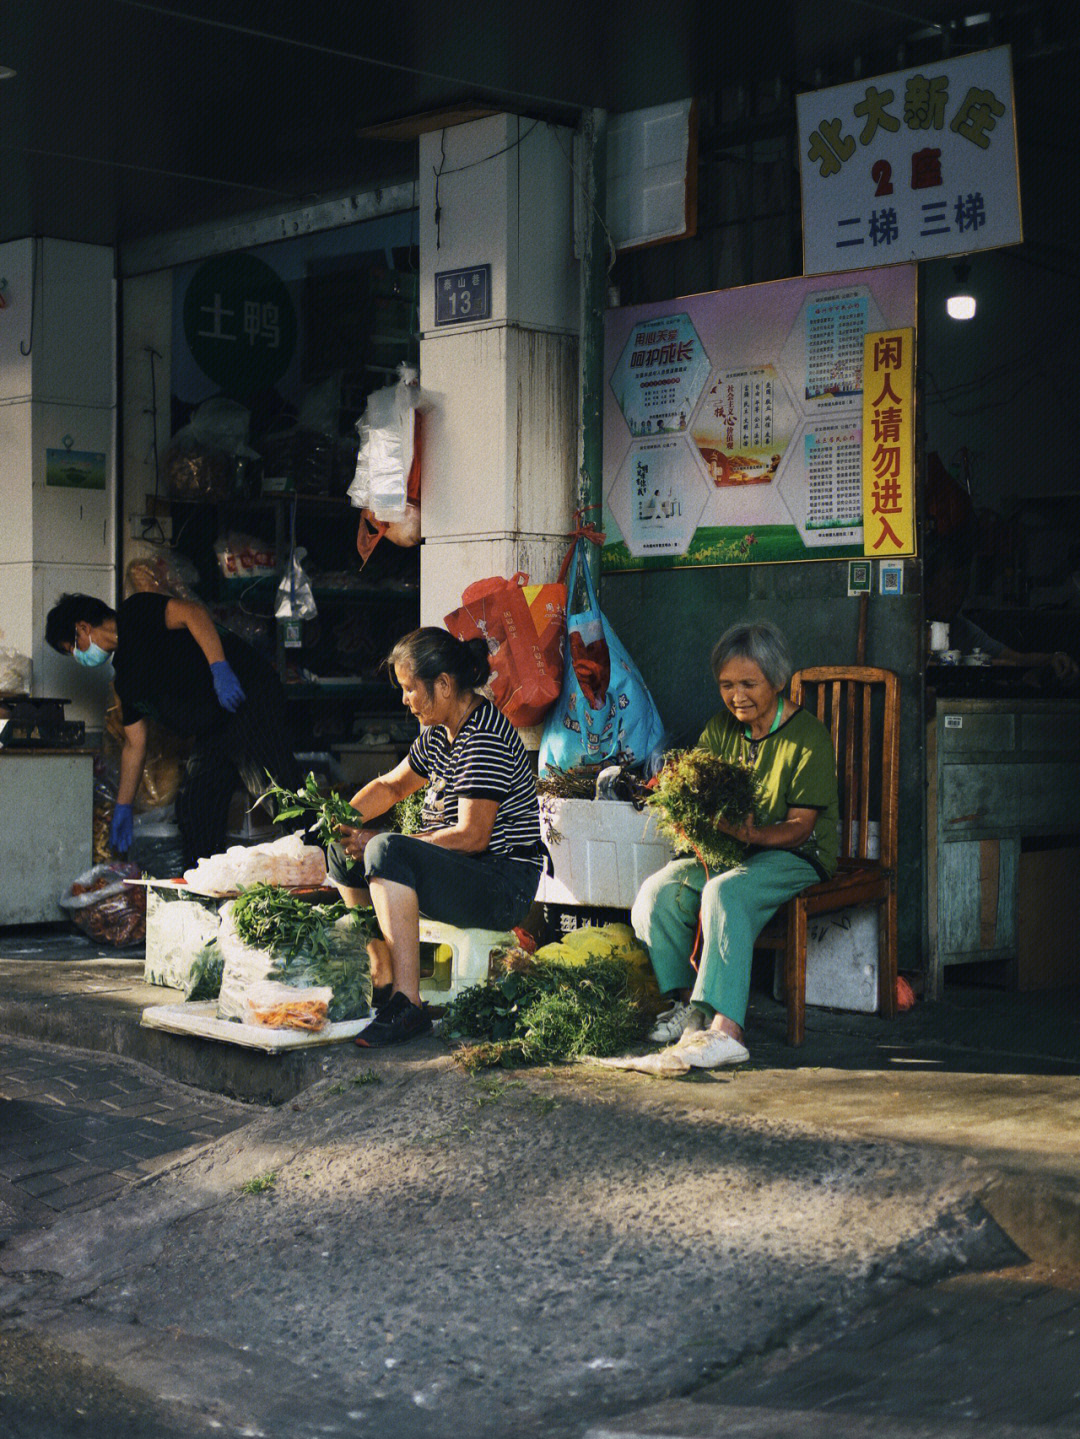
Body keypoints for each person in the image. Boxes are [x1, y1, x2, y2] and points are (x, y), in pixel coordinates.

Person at [631, 619, 839, 1070]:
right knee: (657, 894)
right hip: (735, 851)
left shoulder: (809, 737)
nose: (737, 695)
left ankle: (727, 1030)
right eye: (727, 685)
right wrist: (691, 817)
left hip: (796, 855)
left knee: (724, 892)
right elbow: (704, 794)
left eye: (749, 683)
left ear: (778, 681)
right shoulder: (721, 730)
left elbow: (801, 827)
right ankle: (689, 1007)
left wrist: (752, 835)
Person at [327, 628, 544, 1048]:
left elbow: (471, 836)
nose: (404, 699)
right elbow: (391, 787)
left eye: (410, 689)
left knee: (384, 849)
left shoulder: (484, 737)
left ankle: (409, 1004)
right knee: (341, 854)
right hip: (465, 870)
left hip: (501, 883)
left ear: (444, 685)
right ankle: (383, 973)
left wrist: (381, 838)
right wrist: (340, 821)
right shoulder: (439, 732)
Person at [45, 591, 297, 867]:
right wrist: (123, 806)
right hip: (214, 724)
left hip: (246, 694)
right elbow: (134, 745)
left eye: (73, 648)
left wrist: (220, 668)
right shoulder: (126, 681)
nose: (79, 657)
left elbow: (193, 614)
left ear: (83, 627)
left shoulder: (136, 612)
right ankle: (206, 892)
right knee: (195, 807)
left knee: (276, 789)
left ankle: (329, 865)